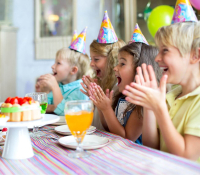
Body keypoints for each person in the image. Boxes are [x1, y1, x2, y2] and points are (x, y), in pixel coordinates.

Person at [122, 21, 200, 162]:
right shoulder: (170, 96)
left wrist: (159, 109)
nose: (157, 58)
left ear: (195, 55)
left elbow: (186, 157)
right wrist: (149, 106)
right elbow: (152, 146)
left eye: (165, 50)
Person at [80, 11, 125, 131]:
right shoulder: (101, 83)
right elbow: (102, 125)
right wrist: (96, 98)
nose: (91, 63)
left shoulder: (118, 88)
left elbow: (112, 130)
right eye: (91, 59)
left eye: (96, 59)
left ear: (112, 60)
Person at [39, 27, 91, 116]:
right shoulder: (61, 85)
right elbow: (43, 108)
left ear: (73, 70)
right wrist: (45, 91)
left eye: (58, 63)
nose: (52, 66)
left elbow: (65, 112)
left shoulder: (80, 90)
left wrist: (54, 87)